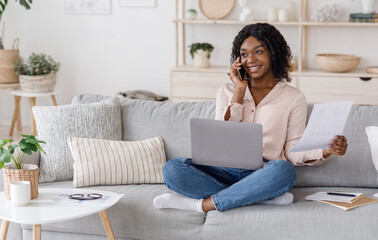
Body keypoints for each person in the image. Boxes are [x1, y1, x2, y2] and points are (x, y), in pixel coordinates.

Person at [153, 23, 348, 213]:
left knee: (284, 171)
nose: (250, 59)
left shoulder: (293, 97)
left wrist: (324, 150)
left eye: (259, 51)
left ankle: (202, 205)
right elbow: (219, 138)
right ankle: (260, 198)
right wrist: (239, 91)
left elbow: (292, 151)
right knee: (173, 169)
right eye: (244, 54)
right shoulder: (226, 91)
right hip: (221, 170)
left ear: (274, 52)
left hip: (263, 172)